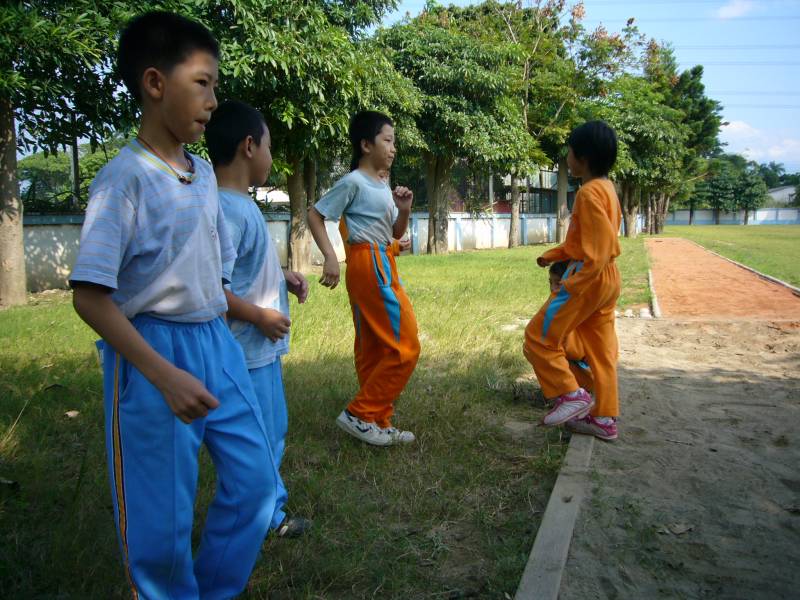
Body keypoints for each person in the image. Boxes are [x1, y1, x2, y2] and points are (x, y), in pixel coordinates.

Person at [69, 12, 279, 597]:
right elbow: (89, 297)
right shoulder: (123, 180)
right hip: (152, 352)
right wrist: (163, 376)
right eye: (202, 83)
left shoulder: (205, 174)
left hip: (216, 339)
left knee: (257, 483)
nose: (213, 101)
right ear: (155, 83)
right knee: (159, 522)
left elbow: (211, 263)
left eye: (215, 86)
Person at [205, 99, 311, 538]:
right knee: (264, 435)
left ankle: (262, 508)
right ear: (249, 146)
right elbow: (212, 289)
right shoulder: (228, 210)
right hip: (247, 353)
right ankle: (266, 516)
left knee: (268, 429)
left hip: (256, 351)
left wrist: (282, 277)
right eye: (269, 147)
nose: (271, 157)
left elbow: (243, 270)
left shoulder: (238, 205)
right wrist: (259, 317)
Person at [307, 111, 420, 446]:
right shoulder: (353, 182)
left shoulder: (382, 185)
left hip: (381, 260)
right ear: (366, 144)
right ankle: (360, 413)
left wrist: (404, 210)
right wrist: (330, 257)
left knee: (374, 347)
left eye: (394, 142)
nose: (393, 148)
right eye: (388, 140)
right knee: (406, 345)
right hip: (369, 263)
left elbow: (394, 233)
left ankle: (376, 421)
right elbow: (315, 215)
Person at [523, 121, 621, 441]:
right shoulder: (607, 189)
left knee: (538, 337)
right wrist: (552, 255)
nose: (566, 157)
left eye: (569, 151)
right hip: (608, 278)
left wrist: (573, 285)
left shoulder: (588, 193)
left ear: (583, 157)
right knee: (601, 352)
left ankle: (570, 394)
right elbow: (585, 241)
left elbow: (598, 249)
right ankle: (604, 418)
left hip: (588, 277)